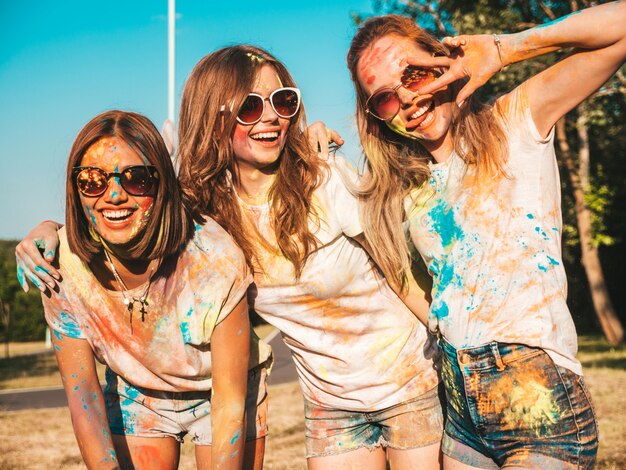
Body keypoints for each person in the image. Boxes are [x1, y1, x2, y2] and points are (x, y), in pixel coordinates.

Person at [17, 45, 442, 469]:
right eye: (250, 106)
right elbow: (125, 203)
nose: (272, 116)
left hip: (408, 379)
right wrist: (48, 230)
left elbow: (398, 273)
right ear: (215, 116)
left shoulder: (323, 178)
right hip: (331, 403)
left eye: (284, 100)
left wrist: (453, 340)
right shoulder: (205, 206)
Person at [347, 3, 626, 469]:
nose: (409, 99)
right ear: (377, 115)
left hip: (537, 398)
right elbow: (412, 280)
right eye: (385, 98)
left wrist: (504, 49)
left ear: (441, 59)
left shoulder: (516, 118)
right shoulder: (406, 186)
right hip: (460, 406)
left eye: (414, 74)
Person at [29, 110, 271, 469]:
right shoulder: (61, 267)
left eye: (136, 179)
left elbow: (229, 406)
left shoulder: (214, 259)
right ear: (75, 187)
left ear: (162, 185)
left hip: (221, 391)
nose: (113, 195)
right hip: (138, 391)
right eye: (92, 180)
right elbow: (84, 399)